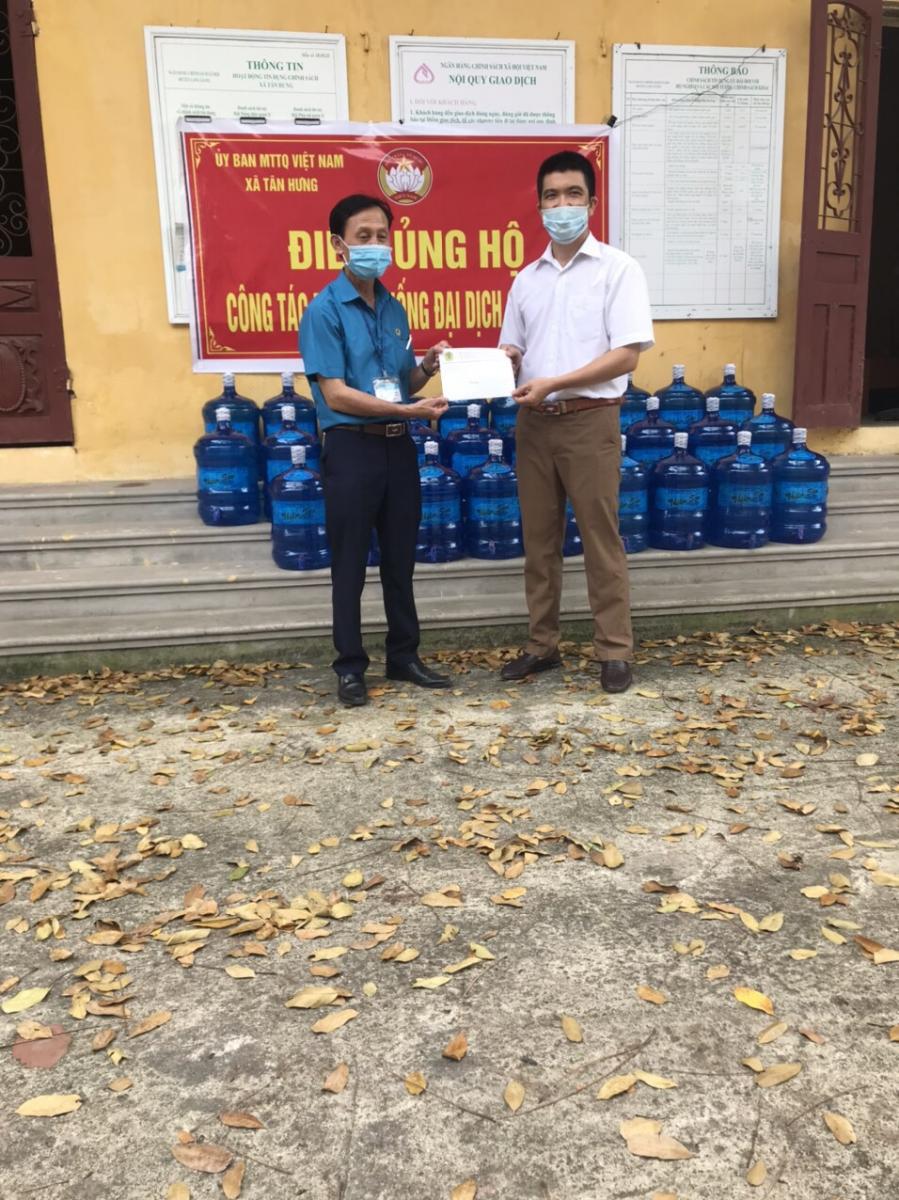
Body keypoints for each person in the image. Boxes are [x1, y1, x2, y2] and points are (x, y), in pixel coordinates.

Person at [499, 150, 654, 694]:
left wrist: (556, 382)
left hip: (590, 422)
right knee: (539, 542)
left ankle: (614, 649)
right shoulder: (526, 280)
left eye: (572, 194)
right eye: (551, 196)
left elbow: (626, 356)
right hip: (533, 425)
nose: (561, 205)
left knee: (599, 538)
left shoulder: (618, 270)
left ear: (591, 202)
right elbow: (514, 350)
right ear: (539, 205)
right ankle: (542, 645)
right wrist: (503, 362)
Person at [299, 193, 450, 707]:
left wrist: (426, 366)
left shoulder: (393, 307)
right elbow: (336, 394)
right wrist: (409, 411)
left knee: (400, 560)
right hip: (351, 449)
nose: (375, 245)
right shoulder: (324, 311)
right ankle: (349, 667)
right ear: (338, 245)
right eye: (363, 236)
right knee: (349, 564)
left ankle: (404, 656)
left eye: (382, 236)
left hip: (397, 448)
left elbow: (403, 383)